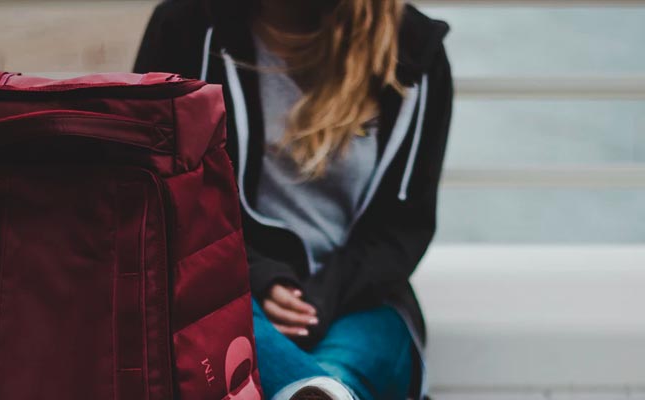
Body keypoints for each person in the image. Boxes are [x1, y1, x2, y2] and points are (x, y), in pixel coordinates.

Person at [135, 0, 452, 398]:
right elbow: (155, 196)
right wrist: (259, 275)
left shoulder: (415, 49)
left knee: (355, 355)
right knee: (313, 375)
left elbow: (403, 228)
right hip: (224, 289)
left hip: (361, 298)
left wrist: (321, 296)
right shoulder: (188, 26)